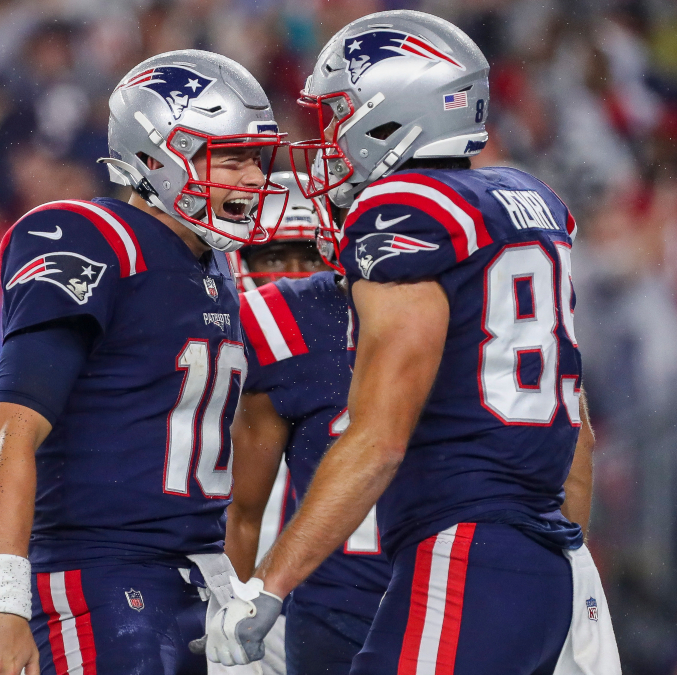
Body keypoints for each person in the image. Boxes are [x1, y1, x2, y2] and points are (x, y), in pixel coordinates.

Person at [201, 11, 621, 675]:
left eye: (337, 117)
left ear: (391, 116)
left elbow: (377, 440)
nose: (326, 139)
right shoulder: (527, 200)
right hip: (539, 562)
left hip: (465, 550)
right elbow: (579, 442)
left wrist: (266, 588)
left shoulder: (404, 211)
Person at [0, 49, 289, 675]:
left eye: (256, 159)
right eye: (231, 158)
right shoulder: (90, 236)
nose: (253, 179)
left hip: (194, 580)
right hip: (99, 578)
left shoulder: (210, 265)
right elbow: (10, 429)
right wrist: (3, 604)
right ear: (157, 156)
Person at [225, 173, 389, 675]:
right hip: (266, 603)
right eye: (274, 259)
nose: (294, 278)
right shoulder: (214, 360)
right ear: (241, 262)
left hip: (340, 599)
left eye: (309, 260)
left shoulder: (356, 347)